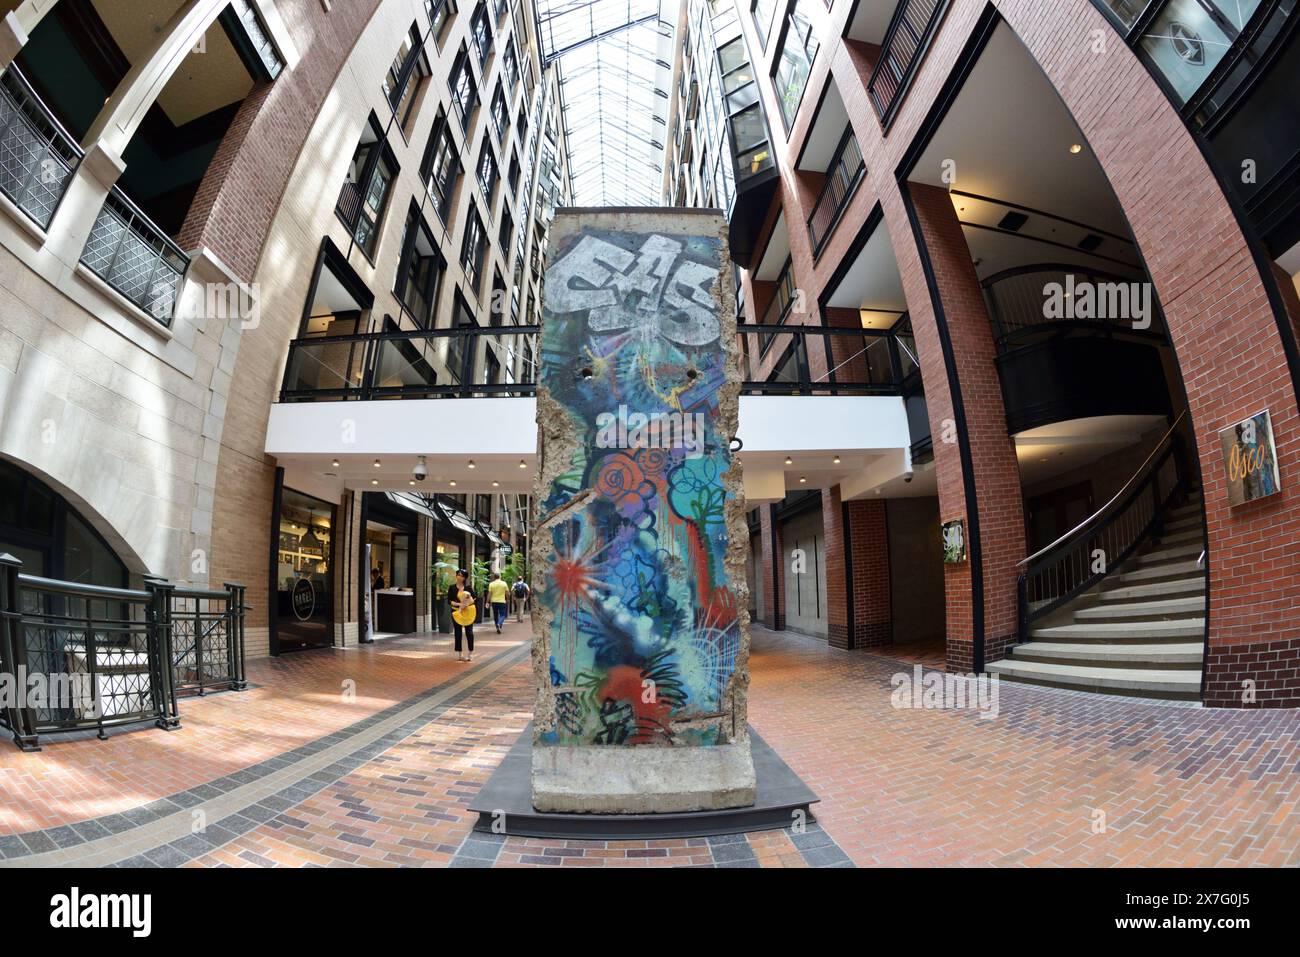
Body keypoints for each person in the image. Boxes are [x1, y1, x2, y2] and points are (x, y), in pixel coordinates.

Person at [448, 568, 476, 662]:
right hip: (457, 612)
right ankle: (460, 654)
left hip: (468, 612)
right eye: (458, 574)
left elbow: (474, 598)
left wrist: (467, 604)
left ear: (464, 577)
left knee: (469, 632)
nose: (459, 577)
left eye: (461, 575)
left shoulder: (468, 588)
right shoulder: (452, 587)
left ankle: (470, 653)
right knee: (458, 633)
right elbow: (449, 601)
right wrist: (460, 605)